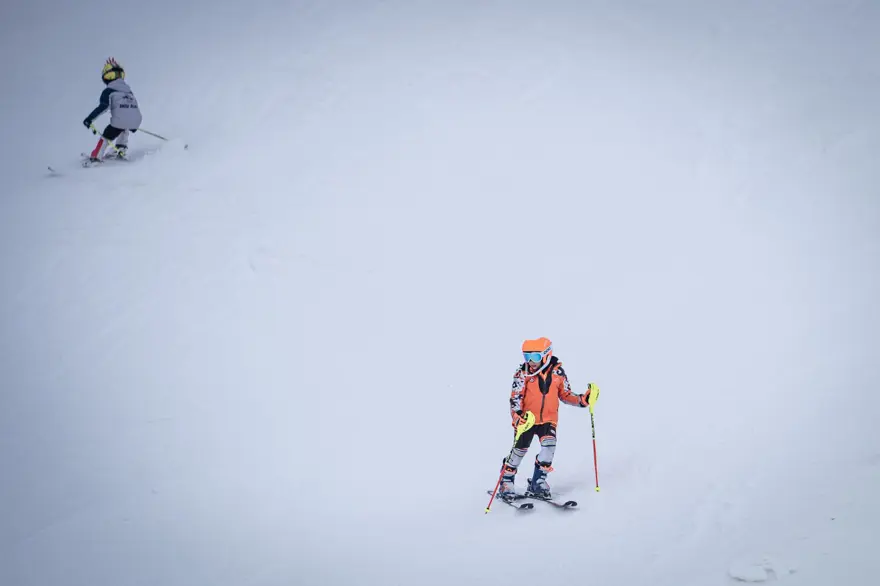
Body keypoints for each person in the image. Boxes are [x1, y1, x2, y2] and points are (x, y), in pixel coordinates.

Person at [499, 337, 595, 499]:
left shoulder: (557, 373)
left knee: (549, 449)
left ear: (546, 355)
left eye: (535, 357)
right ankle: (506, 481)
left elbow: (565, 394)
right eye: (526, 357)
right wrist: (517, 417)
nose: (531, 361)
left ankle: (538, 481)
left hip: (548, 420)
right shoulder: (522, 374)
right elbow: (515, 398)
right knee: (519, 451)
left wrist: (581, 400)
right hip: (527, 421)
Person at [83, 58, 142, 162]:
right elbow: (132, 108)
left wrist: (89, 119)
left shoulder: (109, 91)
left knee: (107, 134)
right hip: (135, 120)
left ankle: (96, 157)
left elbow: (103, 107)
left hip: (120, 121)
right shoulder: (128, 91)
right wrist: (134, 124)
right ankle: (121, 148)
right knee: (124, 127)